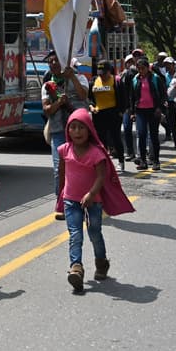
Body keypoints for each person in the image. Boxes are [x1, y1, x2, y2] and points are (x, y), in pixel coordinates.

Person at [57, 109, 110, 293]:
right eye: (73, 127)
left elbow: (101, 176)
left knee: (94, 233)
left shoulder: (96, 153)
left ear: (89, 130)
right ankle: (76, 269)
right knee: (75, 235)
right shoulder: (64, 150)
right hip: (71, 201)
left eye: (81, 127)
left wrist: (91, 194)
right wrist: (60, 196)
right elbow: (62, 175)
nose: (77, 132)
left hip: (93, 202)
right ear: (68, 130)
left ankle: (101, 263)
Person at [42, 51, 89, 209]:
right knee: (58, 169)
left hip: (79, 132)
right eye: (51, 61)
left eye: (57, 61)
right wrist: (59, 103)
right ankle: (61, 202)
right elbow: (47, 109)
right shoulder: (48, 85)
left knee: (82, 166)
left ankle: (84, 199)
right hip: (58, 131)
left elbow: (83, 96)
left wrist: (72, 77)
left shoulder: (79, 78)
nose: (53, 64)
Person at [130, 56, 167, 169]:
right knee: (141, 135)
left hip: (153, 110)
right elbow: (132, 97)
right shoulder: (135, 79)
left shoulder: (155, 78)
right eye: (139, 68)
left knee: (154, 135)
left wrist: (160, 108)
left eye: (143, 68)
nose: (141, 71)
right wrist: (132, 112)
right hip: (140, 110)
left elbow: (163, 95)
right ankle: (142, 160)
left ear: (148, 68)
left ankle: (156, 160)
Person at [90, 60, 123, 170]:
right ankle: (103, 163)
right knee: (101, 140)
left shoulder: (116, 81)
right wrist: (91, 106)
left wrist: (120, 111)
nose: (102, 76)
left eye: (104, 73)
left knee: (115, 138)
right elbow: (89, 98)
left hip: (113, 113)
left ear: (109, 71)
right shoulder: (94, 81)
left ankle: (121, 161)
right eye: (100, 73)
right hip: (99, 114)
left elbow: (124, 97)